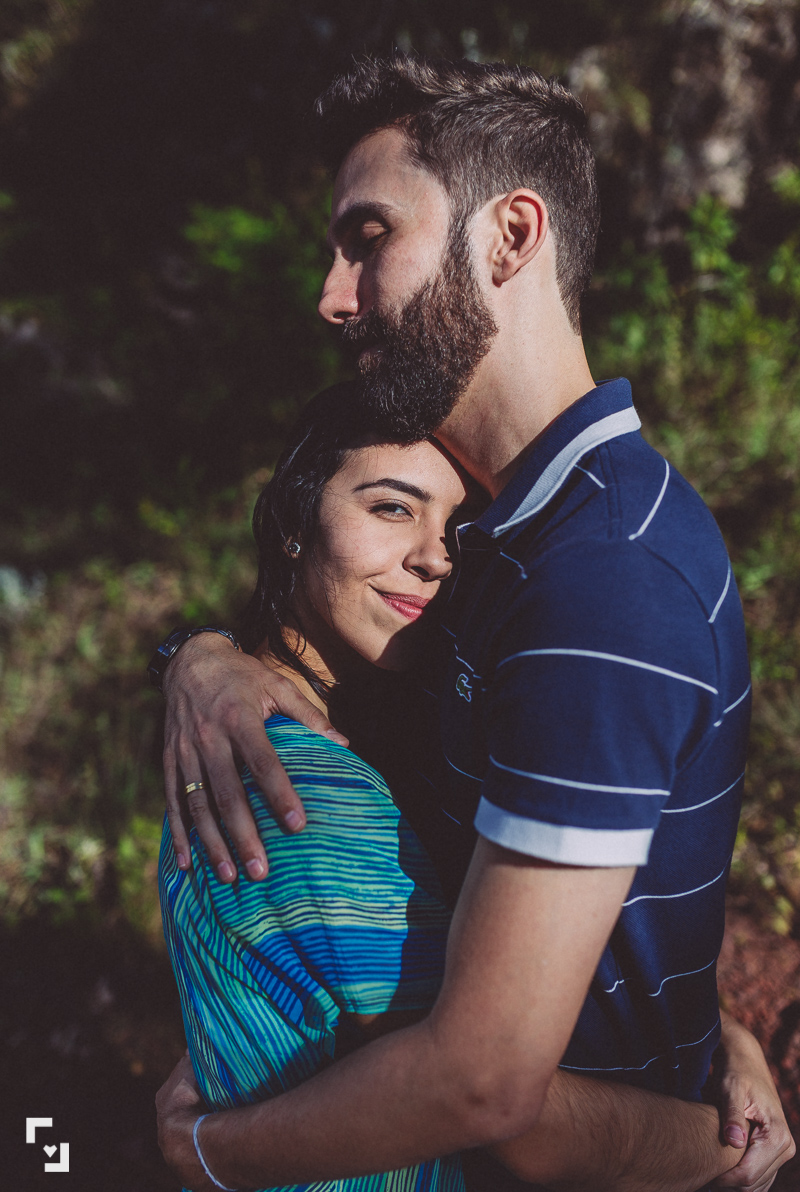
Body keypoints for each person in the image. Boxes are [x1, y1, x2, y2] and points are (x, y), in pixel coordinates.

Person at [154, 55, 796, 1191]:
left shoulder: (603, 577)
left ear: (509, 237)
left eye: (367, 235)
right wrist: (201, 659)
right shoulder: (512, 540)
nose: (331, 293)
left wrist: (208, 1149)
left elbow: (485, 1084)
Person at [160, 384, 770, 1192]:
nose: (434, 556)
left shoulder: (384, 724)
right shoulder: (303, 800)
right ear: (290, 526)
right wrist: (729, 1152)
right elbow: (488, 1106)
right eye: (390, 508)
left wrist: (729, 1037)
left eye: (456, 526)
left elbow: (511, 959)